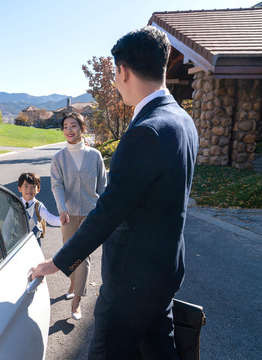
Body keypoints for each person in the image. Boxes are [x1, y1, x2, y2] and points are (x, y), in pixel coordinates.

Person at [32, 25, 199, 359]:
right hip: (164, 273)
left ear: (123, 71)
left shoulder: (145, 132)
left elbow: (108, 212)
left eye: (114, 74)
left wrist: (58, 261)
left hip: (130, 287)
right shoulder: (182, 121)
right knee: (161, 350)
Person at [50, 112, 107, 320]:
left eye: (73, 126)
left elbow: (103, 185)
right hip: (68, 215)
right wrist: (62, 209)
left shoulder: (94, 155)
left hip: (91, 215)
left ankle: (76, 303)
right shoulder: (59, 158)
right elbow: (56, 185)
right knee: (69, 253)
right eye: (65, 126)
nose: (69, 130)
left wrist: (101, 210)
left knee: (82, 256)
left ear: (82, 128)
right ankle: (73, 283)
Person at [17, 172, 61, 246]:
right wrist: (6, 240)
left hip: (34, 241)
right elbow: (8, 223)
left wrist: (61, 220)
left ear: (38, 189)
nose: (29, 190)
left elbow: (50, 218)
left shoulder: (38, 206)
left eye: (33, 186)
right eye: (26, 186)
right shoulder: (16, 203)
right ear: (19, 188)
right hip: (18, 242)